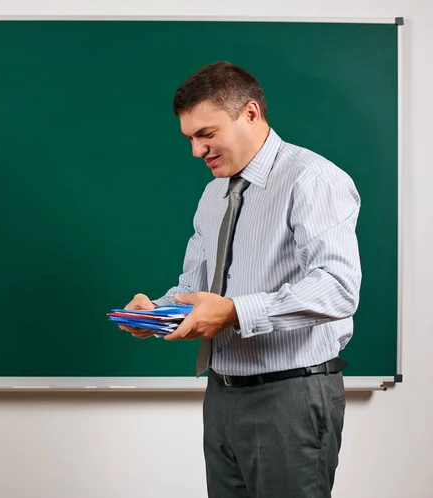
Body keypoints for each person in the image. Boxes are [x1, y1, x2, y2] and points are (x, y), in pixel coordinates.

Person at [118, 61, 361, 498]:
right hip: (223, 394)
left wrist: (232, 312)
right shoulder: (214, 194)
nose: (197, 150)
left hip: (290, 395)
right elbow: (196, 285)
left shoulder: (312, 179)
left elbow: (338, 288)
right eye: (190, 138)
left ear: (250, 113)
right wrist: (157, 312)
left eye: (206, 134)